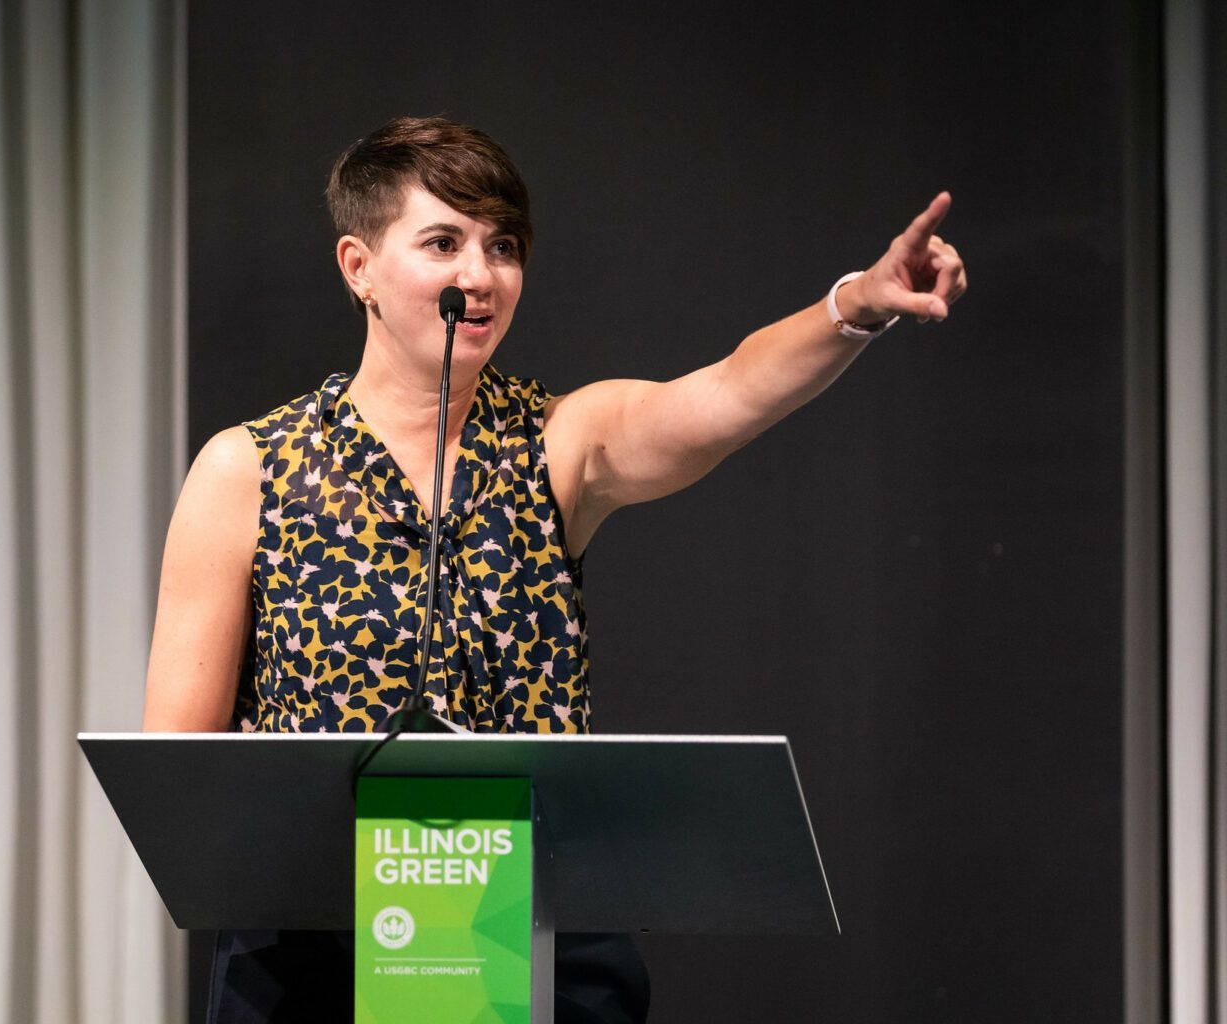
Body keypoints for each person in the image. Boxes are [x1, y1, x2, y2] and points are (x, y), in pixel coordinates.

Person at [143, 116, 967, 1022]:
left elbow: (726, 392)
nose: (480, 275)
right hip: (314, 958)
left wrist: (854, 306)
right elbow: (184, 779)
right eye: (443, 242)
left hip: (535, 941)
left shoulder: (559, 442)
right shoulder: (249, 468)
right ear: (359, 268)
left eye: (504, 246)